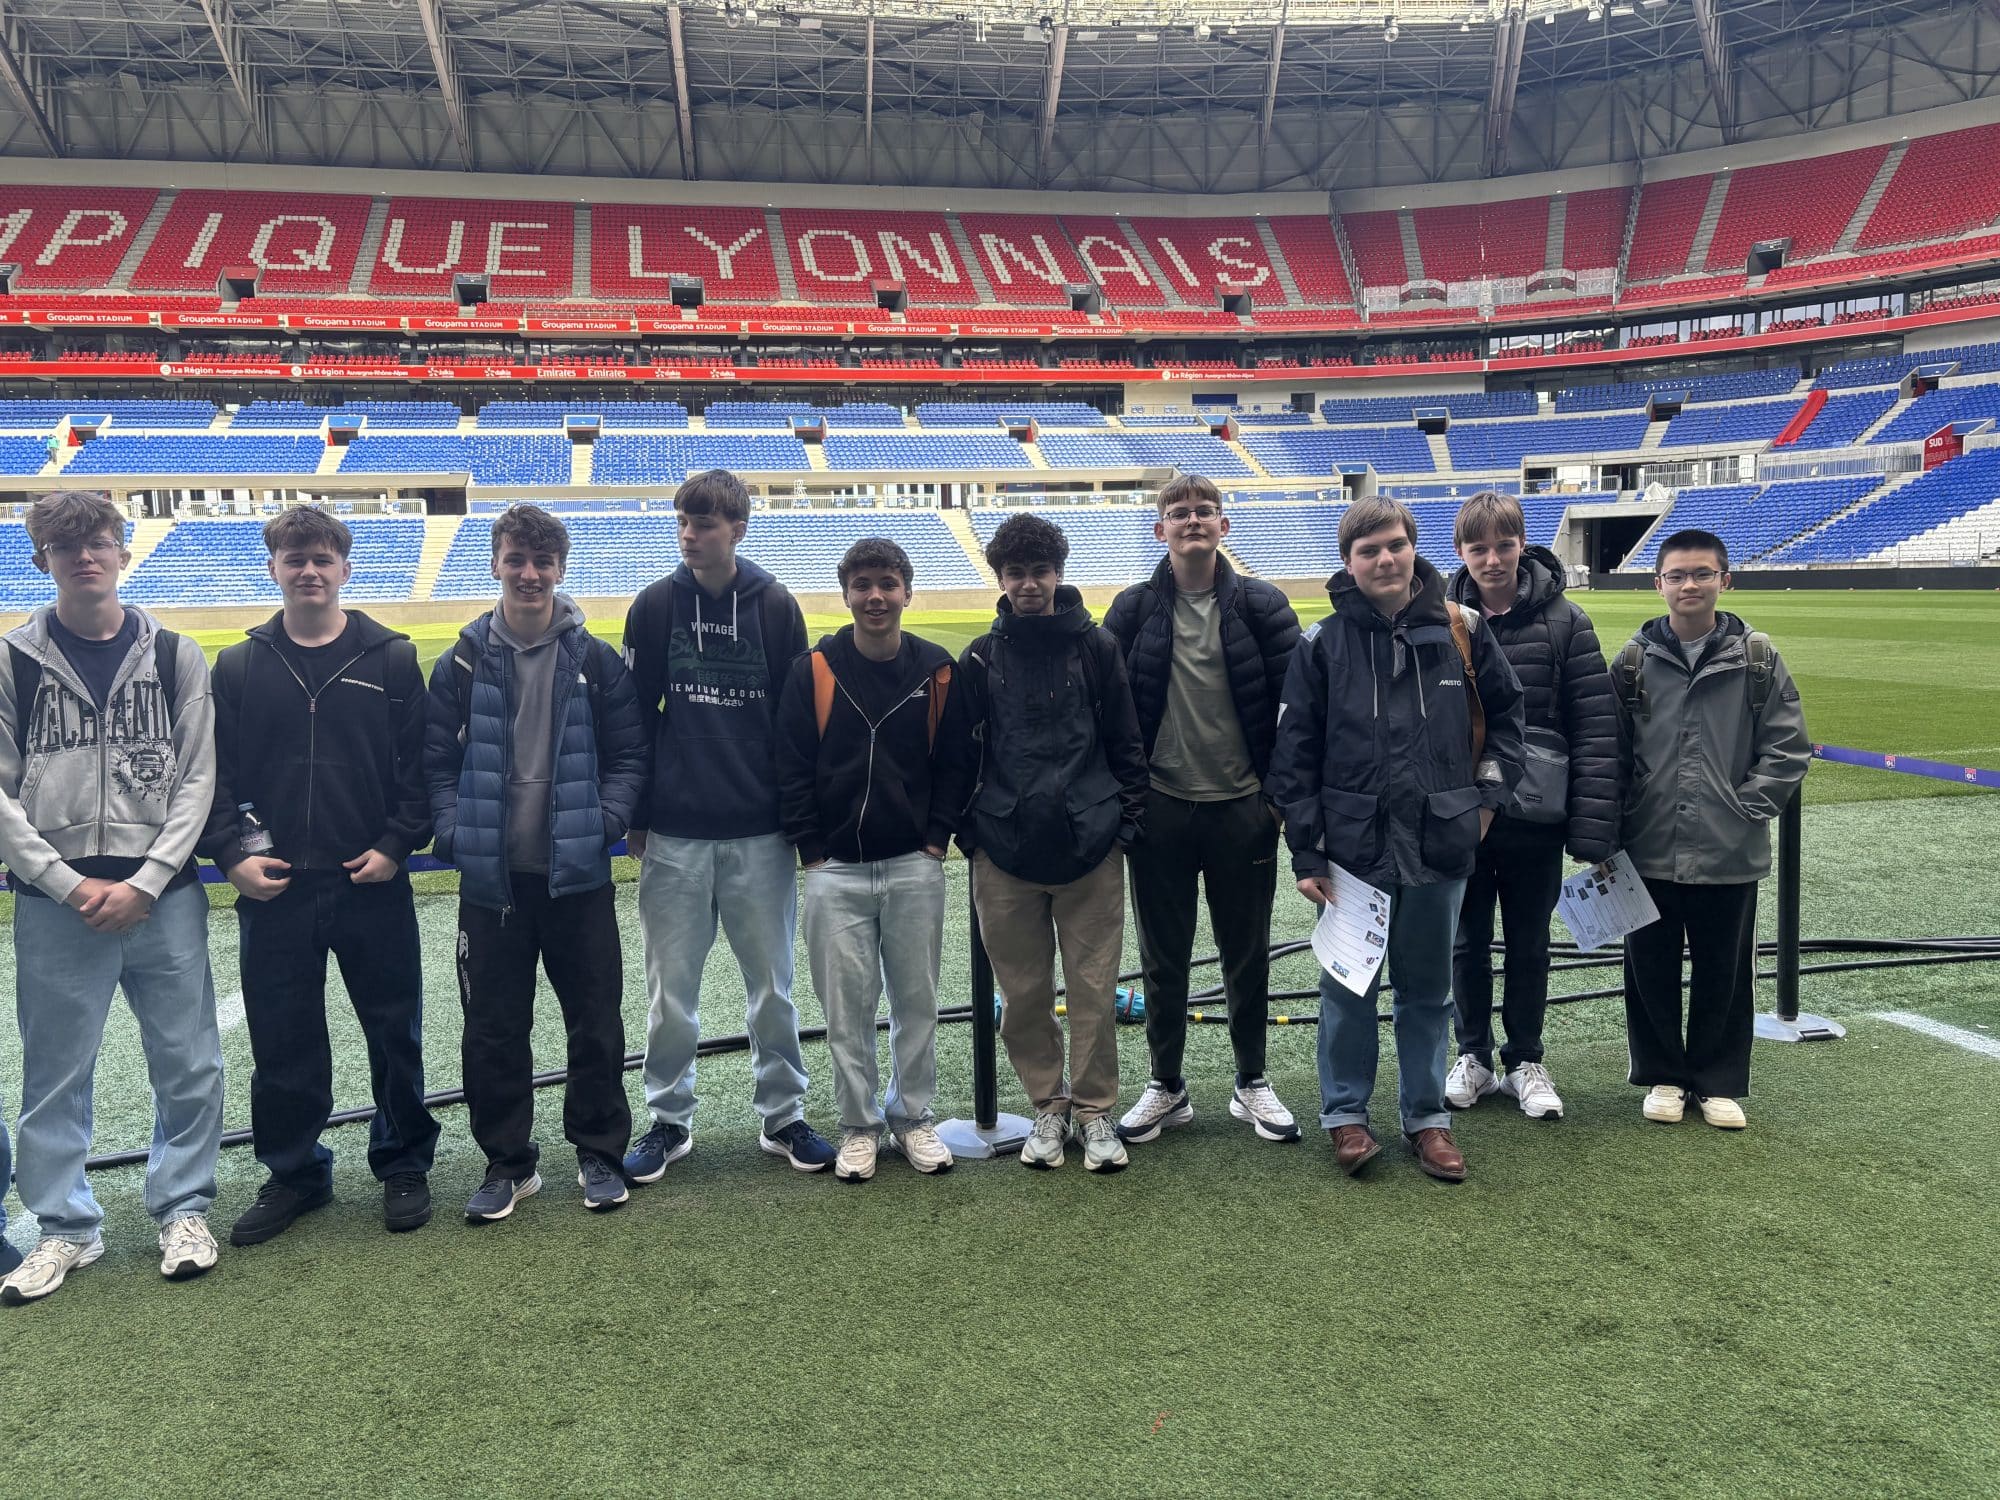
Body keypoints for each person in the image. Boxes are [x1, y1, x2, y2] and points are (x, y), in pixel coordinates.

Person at [0, 490, 224, 1303]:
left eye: (97, 542)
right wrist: (63, 882)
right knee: (55, 1072)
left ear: (123, 552)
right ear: (43, 561)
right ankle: (66, 1226)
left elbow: (198, 777)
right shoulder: (12, 660)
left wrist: (150, 878)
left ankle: (183, 1209)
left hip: (162, 895)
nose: (84, 556)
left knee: (188, 1060)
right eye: (66, 547)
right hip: (54, 901)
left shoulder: (176, 654)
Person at [200, 505, 440, 1245]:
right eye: (295, 558)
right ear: (273, 568)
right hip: (275, 889)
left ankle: (403, 1162)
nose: (309, 570)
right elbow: (212, 776)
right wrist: (231, 856)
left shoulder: (391, 658)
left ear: (345, 568)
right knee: (283, 1038)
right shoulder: (239, 667)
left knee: (393, 1031)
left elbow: (422, 770)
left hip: (371, 880)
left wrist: (396, 845)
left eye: (322, 558)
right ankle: (295, 1171)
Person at [1269, 496, 1524, 1183]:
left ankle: (1427, 1120)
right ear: (1348, 564)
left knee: (1429, 991)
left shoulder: (1462, 628)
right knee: (1347, 989)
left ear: (1414, 549)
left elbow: (1508, 722)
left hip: (1441, 842)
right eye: (1368, 550)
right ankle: (1346, 1117)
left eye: (1395, 545)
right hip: (1353, 852)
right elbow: (1293, 758)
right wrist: (1307, 851)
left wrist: (1487, 802)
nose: (1384, 559)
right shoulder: (1322, 644)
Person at [425, 503, 649, 1221]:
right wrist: (455, 833)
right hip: (493, 884)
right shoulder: (461, 662)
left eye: (542, 562)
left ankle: (599, 1151)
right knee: (493, 1028)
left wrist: (604, 825)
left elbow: (630, 756)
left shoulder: (595, 660)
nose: (529, 574)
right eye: (516, 559)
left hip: (576, 877)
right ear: (495, 563)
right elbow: (434, 763)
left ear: (560, 568)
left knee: (595, 1022)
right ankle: (508, 1163)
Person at [621, 470, 834, 1180]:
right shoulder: (654, 605)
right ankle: (668, 1119)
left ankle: (784, 1116)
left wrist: (796, 823)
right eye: (682, 522)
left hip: (758, 832)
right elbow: (635, 720)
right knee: (669, 993)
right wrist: (640, 817)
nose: (689, 535)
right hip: (676, 831)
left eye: (704, 524)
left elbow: (794, 722)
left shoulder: (775, 605)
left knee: (773, 988)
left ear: (737, 529)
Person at [1103, 475, 1302, 1147]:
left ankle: (1252, 1082)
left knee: (1247, 954)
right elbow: (1108, 710)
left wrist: (1274, 802)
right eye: (1179, 512)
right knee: (1163, 958)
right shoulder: (1132, 610)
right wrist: (1130, 800)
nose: (1192, 521)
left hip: (1242, 809)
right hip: (1160, 809)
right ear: (1160, 529)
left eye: (1204, 511)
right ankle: (1167, 1085)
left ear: (1224, 525)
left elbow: (1298, 711)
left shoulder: (1263, 606)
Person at [957, 513, 1149, 1174]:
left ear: (1058, 573)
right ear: (1000, 579)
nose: (1029, 584)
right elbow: (961, 756)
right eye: (1016, 573)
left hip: (1091, 847)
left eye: (1040, 571)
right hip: (1004, 851)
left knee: (1094, 992)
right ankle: (1048, 1105)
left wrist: (1122, 828)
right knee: (1023, 996)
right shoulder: (980, 657)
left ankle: (1095, 1114)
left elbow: (1126, 744)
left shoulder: (1097, 648)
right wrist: (973, 836)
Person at [776, 537, 971, 1183]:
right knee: (847, 1011)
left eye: (887, 583)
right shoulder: (815, 669)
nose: (876, 596)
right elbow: (791, 765)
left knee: (917, 1004)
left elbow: (956, 764)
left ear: (907, 591)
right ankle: (859, 1125)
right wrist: (812, 851)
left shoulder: (937, 670)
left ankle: (912, 1118)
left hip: (914, 864)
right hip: (835, 870)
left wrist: (936, 839)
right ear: (847, 594)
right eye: (862, 585)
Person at [1613, 529, 1809, 1131]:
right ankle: (1664, 1076)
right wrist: (1618, 818)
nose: (1689, 585)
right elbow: (1611, 750)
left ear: (1725, 580)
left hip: (1729, 848)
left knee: (1724, 970)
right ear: (1659, 584)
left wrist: (1746, 807)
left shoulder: (1757, 658)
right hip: (1648, 844)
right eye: (1677, 575)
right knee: (1649, 968)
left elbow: (1787, 746)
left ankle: (1718, 1081)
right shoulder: (1633, 660)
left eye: (1701, 573)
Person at [1443, 492, 1618, 1122]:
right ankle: (1472, 1055)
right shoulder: (1444, 620)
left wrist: (1592, 827)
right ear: (1461, 552)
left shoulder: (1566, 621)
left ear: (1523, 544)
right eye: (1479, 548)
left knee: (1528, 942)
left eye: (1504, 545)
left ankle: (1525, 1058)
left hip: (1536, 818)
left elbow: (1594, 726)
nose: (1492, 560)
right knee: (1465, 941)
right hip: (1464, 814)